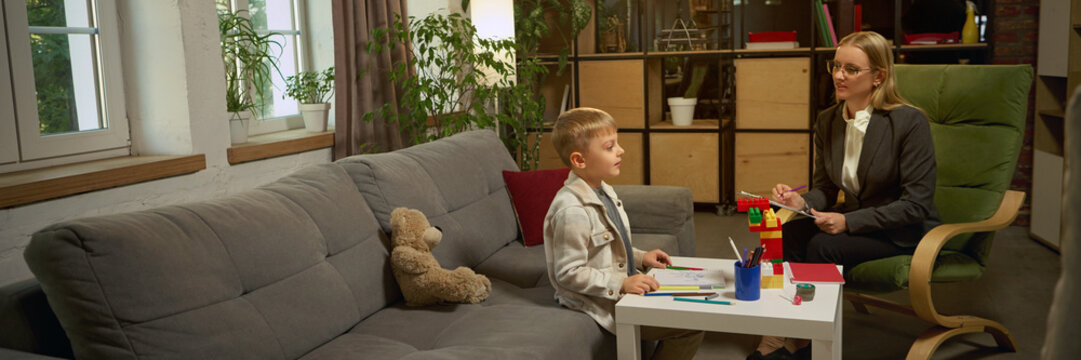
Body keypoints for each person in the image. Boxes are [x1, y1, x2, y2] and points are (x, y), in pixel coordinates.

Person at [750, 31, 940, 360]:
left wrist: (848, 221)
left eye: (851, 69)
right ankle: (781, 332)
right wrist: (801, 203)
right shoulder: (828, 121)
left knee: (823, 246)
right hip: (851, 219)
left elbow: (916, 204)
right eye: (836, 66)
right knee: (788, 227)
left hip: (898, 230)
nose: (839, 75)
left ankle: (813, 342)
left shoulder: (908, 122)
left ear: (878, 76)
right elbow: (825, 189)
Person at [544, 107, 704, 360]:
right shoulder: (571, 210)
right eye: (609, 147)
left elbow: (608, 247)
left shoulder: (604, 189)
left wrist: (640, 258)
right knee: (689, 326)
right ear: (579, 160)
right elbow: (568, 273)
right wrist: (620, 283)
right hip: (601, 302)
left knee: (691, 302)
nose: (621, 150)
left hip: (623, 285)